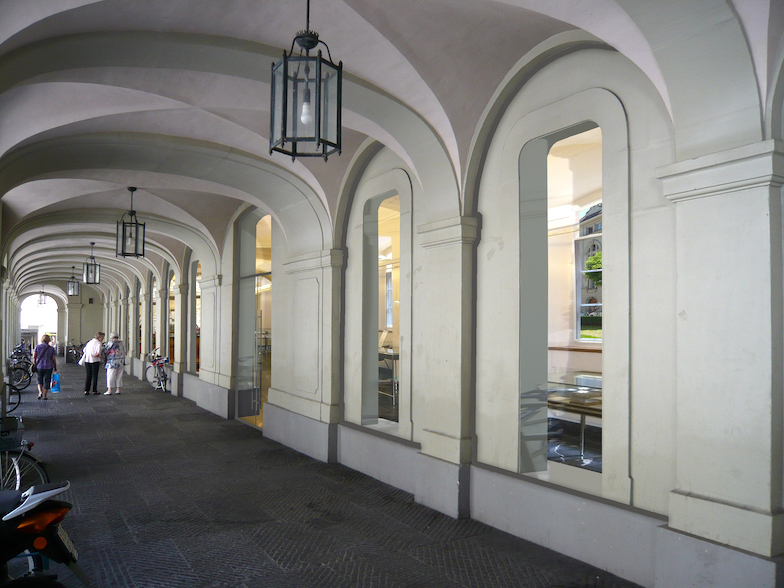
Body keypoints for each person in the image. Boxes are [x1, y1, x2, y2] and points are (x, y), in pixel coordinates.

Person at [31, 334, 57, 400]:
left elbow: (34, 357)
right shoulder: (51, 348)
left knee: (40, 379)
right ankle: (45, 395)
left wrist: (34, 364)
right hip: (49, 367)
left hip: (39, 366)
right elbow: (53, 359)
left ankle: (40, 393)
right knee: (47, 380)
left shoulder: (38, 347)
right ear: (49, 340)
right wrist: (55, 367)